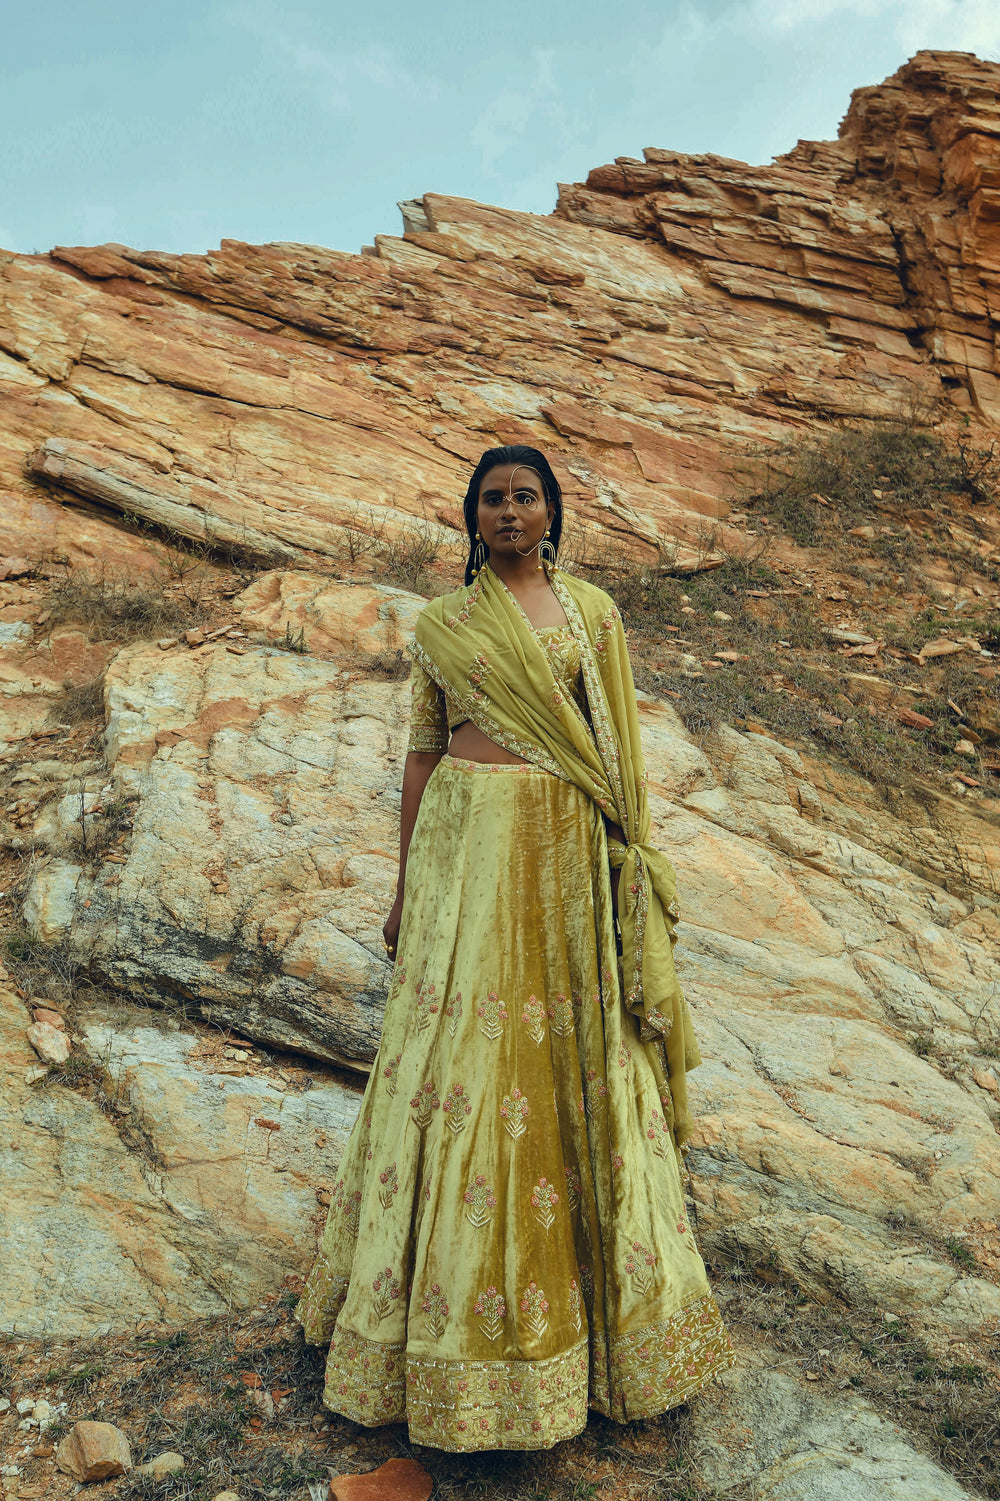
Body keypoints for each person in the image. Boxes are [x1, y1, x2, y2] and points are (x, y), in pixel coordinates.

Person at [295, 444, 734, 1451]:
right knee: (462, 1062)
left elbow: (613, 744)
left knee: (568, 1061)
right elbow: (419, 751)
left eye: (523, 496)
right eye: (491, 498)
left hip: (565, 851)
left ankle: (595, 1336)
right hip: (463, 852)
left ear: (550, 511)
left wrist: (627, 859)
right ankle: (430, 1333)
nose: (507, 510)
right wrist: (406, 881)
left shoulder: (593, 615)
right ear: (471, 515)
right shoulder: (443, 624)